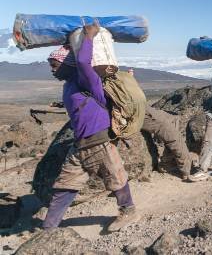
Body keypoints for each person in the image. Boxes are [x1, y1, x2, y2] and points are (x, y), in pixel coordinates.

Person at [42, 25, 139, 232]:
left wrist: (88, 36)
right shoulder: (68, 84)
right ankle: (48, 229)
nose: (51, 70)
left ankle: (129, 210)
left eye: (54, 65)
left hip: (100, 140)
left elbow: (84, 61)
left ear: (69, 64)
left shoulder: (86, 79)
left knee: (116, 178)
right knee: (65, 185)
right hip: (80, 144)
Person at [126, 69, 192, 180]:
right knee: (174, 137)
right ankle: (187, 171)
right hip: (140, 113)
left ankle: (167, 161)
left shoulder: (113, 79)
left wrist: (130, 79)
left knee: (174, 118)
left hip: (144, 108)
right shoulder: (104, 81)